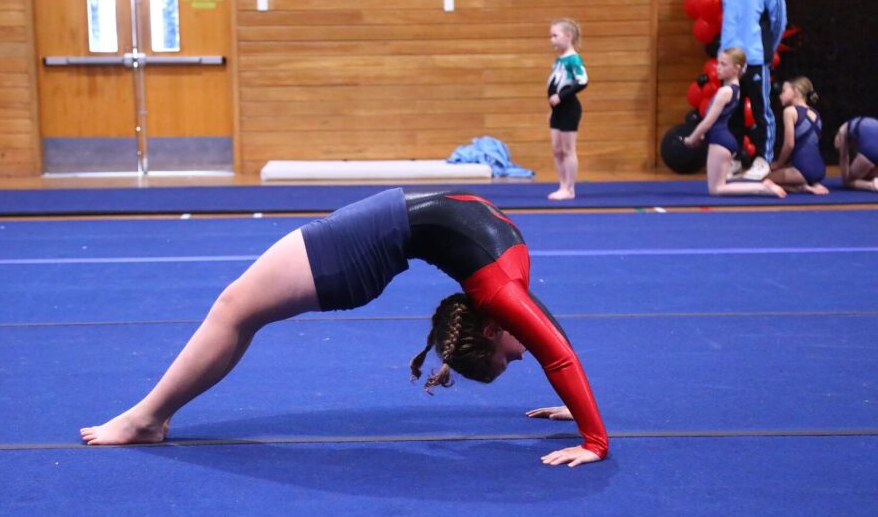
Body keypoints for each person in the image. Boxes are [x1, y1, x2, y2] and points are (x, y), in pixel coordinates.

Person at [81, 189, 609, 468]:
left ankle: (147, 418)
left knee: (233, 309)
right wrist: (590, 430)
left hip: (368, 246)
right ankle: (151, 416)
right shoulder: (505, 292)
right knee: (237, 311)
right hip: (368, 243)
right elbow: (557, 350)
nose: (525, 355)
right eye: (514, 358)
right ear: (494, 331)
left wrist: (590, 432)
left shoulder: (503, 295)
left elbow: (552, 348)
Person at [683, 47, 786, 197]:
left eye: (723, 64)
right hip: (724, 139)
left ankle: (763, 187)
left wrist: (691, 138)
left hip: (720, 141)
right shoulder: (735, 89)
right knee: (722, 182)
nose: (718, 68)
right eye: (718, 63)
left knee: (717, 189)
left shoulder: (725, 92)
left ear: (736, 68)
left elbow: (708, 122)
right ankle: (760, 185)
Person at [720, 0, 787, 181]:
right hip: (730, 62)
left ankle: (763, 159)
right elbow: (727, 22)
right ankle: (736, 159)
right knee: (731, 112)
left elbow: (779, 21)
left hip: (756, 58)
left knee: (761, 111)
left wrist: (766, 49)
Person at [759, 77, 828, 195]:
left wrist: (779, 164)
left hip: (802, 169)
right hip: (820, 169)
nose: (781, 95)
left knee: (765, 181)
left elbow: (789, 145)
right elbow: (807, 147)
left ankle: (804, 188)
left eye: (784, 91)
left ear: (795, 91)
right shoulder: (815, 113)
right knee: (782, 173)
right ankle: (811, 183)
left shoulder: (790, 111)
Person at [546, 18, 588, 201]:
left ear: (568, 36)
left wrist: (561, 97)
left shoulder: (574, 59)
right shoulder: (559, 60)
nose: (552, 40)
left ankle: (569, 189)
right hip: (558, 110)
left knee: (568, 149)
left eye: (555, 35)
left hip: (570, 108)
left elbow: (582, 81)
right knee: (557, 149)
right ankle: (562, 185)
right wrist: (552, 109)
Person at [835, 116, 878, 192]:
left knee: (849, 181)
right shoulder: (864, 123)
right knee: (867, 175)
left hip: (869, 151)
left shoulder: (842, 132)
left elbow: (844, 158)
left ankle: (872, 185)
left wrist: (845, 180)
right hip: (871, 149)